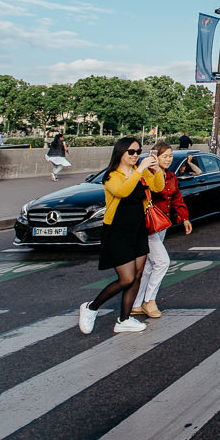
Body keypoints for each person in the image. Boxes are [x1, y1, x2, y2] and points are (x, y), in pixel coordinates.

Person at [78, 137, 164, 334]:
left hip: (139, 230)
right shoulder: (111, 176)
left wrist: (157, 169)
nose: (135, 155)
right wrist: (141, 169)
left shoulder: (139, 173)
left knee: (137, 276)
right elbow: (123, 191)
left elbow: (158, 187)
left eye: (138, 152)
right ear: (120, 153)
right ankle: (91, 307)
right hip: (118, 232)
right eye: (131, 152)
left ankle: (124, 319)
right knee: (126, 278)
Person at [133, 142, 191, 319]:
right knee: (162, 262)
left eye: (170, 156)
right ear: (154, 157)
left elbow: (176, 198)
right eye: (164, 156)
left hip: (162, 224)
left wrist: (185, 218)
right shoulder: (146, 174)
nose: (168, 159)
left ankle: (136, 303)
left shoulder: (172, 176)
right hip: (147, 225)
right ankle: (149, 300)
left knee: (150, 266)